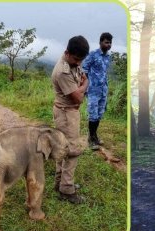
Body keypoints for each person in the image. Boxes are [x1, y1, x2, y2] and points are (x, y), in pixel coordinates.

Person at [51, 35, 90, 204]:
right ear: (67, 53)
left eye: (81, 60)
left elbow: (83, 79)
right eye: (76, 59)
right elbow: (79, 98)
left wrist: (81, 86)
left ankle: (59, 182)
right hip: (66, 113)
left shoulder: (72, 62)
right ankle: (66, 189)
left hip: (68, 112)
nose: (79, 64)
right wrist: (83, 86)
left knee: (62, 148)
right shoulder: (62, 71)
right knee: (72, 150)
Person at [82, 32, 113, 150]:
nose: (108, 45)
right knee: (93, 115)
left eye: (110, 43)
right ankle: (90, 139)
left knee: (99, 114)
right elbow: (84, 70)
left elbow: (104, 73)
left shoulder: (108, 57)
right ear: (100, 42)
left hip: (103, 90)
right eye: (106, 42)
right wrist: (85, 87)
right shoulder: (93, 55)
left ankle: (95, 136)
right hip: (93, 90)